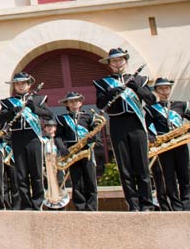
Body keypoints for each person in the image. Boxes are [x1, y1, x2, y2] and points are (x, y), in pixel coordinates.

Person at [94, 47, 155, 211]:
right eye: (114, 61)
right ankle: (133, 204)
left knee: (142, 166)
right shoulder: (104, 82)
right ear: (110, 64)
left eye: (120, 60)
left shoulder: (139, 79)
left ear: (126, 61)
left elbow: (151, 100)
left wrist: (137, 87)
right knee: (125, 166)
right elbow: (100, 104)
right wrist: (112, 92)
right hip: (117, 124)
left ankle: (147, 203)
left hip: (136, 124)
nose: (117, 63)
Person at [0, 71, 52, 210]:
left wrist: (34, 109)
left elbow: (49, 115)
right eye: (18, 84)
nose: (20, 86)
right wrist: (11, 112)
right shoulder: (9, 102)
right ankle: (26, 204)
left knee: (36, 173)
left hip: (33, 138)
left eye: (23, 83)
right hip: (17, 138)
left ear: (29, 85)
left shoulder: (37, 99)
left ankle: (37, 203)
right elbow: (1, 119)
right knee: (21, 174)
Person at [145, 77, 190, 211]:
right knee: (169, 176)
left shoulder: (181, 105)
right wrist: (151, 136)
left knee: (185, 174)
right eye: (161, 88)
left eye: (166, 88)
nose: (164, 91)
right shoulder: (151, 109)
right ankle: (176, 205)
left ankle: (187, 203)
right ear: (156, 91)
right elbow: (147, 127)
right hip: (165, 145)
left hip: (180, 144)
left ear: (170, 89)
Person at [55, 92, 100, 211]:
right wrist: (62, 148)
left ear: (81, 103)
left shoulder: (88, 117)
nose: (74, 103)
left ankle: (92, 207)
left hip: (87, 151)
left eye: (76, 101)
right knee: (77, 180)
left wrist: (93, 138)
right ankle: (80, 207)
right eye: (71, 101)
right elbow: (58, 136)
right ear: (67, 104)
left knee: (90, 179)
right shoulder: (62, 119)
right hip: (72, 152)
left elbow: (96, 133)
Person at [42, 118, 68, 211]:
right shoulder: (42, 140)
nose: (50, 128)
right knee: (48, 187)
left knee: (60, 185)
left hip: (58, 166)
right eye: (47, 126)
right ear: (45, 128)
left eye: (52, 126)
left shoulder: (60, 141)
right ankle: (51, 206)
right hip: (47, 168)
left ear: (55, 128)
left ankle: (62, 206)